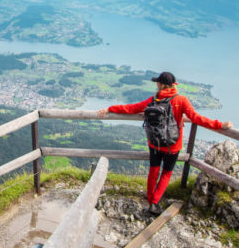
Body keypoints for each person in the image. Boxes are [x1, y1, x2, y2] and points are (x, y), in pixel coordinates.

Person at [97, 71, 232, 215]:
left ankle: (150, 200)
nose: (156, 85)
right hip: (172, 146)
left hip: (155, 143)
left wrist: (109, 109)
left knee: (153, 171)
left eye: (157, 83)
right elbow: (196, 118)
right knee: (166, 174)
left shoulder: (153, 100)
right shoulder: (181, 100)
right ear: (173, 85)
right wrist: (220, 125)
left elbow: (132, 108)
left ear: (161, 85)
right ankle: (155, 202)